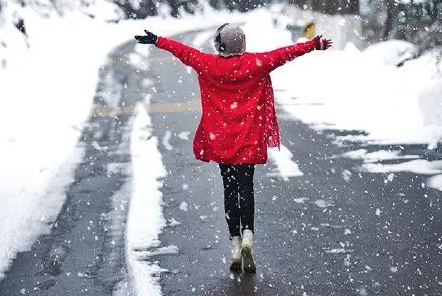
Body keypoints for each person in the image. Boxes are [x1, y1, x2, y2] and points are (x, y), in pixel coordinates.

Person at [134, 23, 332, 274]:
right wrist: (312, 45)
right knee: (246, 186)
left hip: (221, 140)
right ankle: (248, 235)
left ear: (220, 45)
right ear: (242, 44)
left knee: (229, 189)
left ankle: (235, 245)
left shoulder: (207, 64)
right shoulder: (256, 63)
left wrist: (158, 40)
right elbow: (284, 53)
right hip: (247, 138)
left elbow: (183, 51)